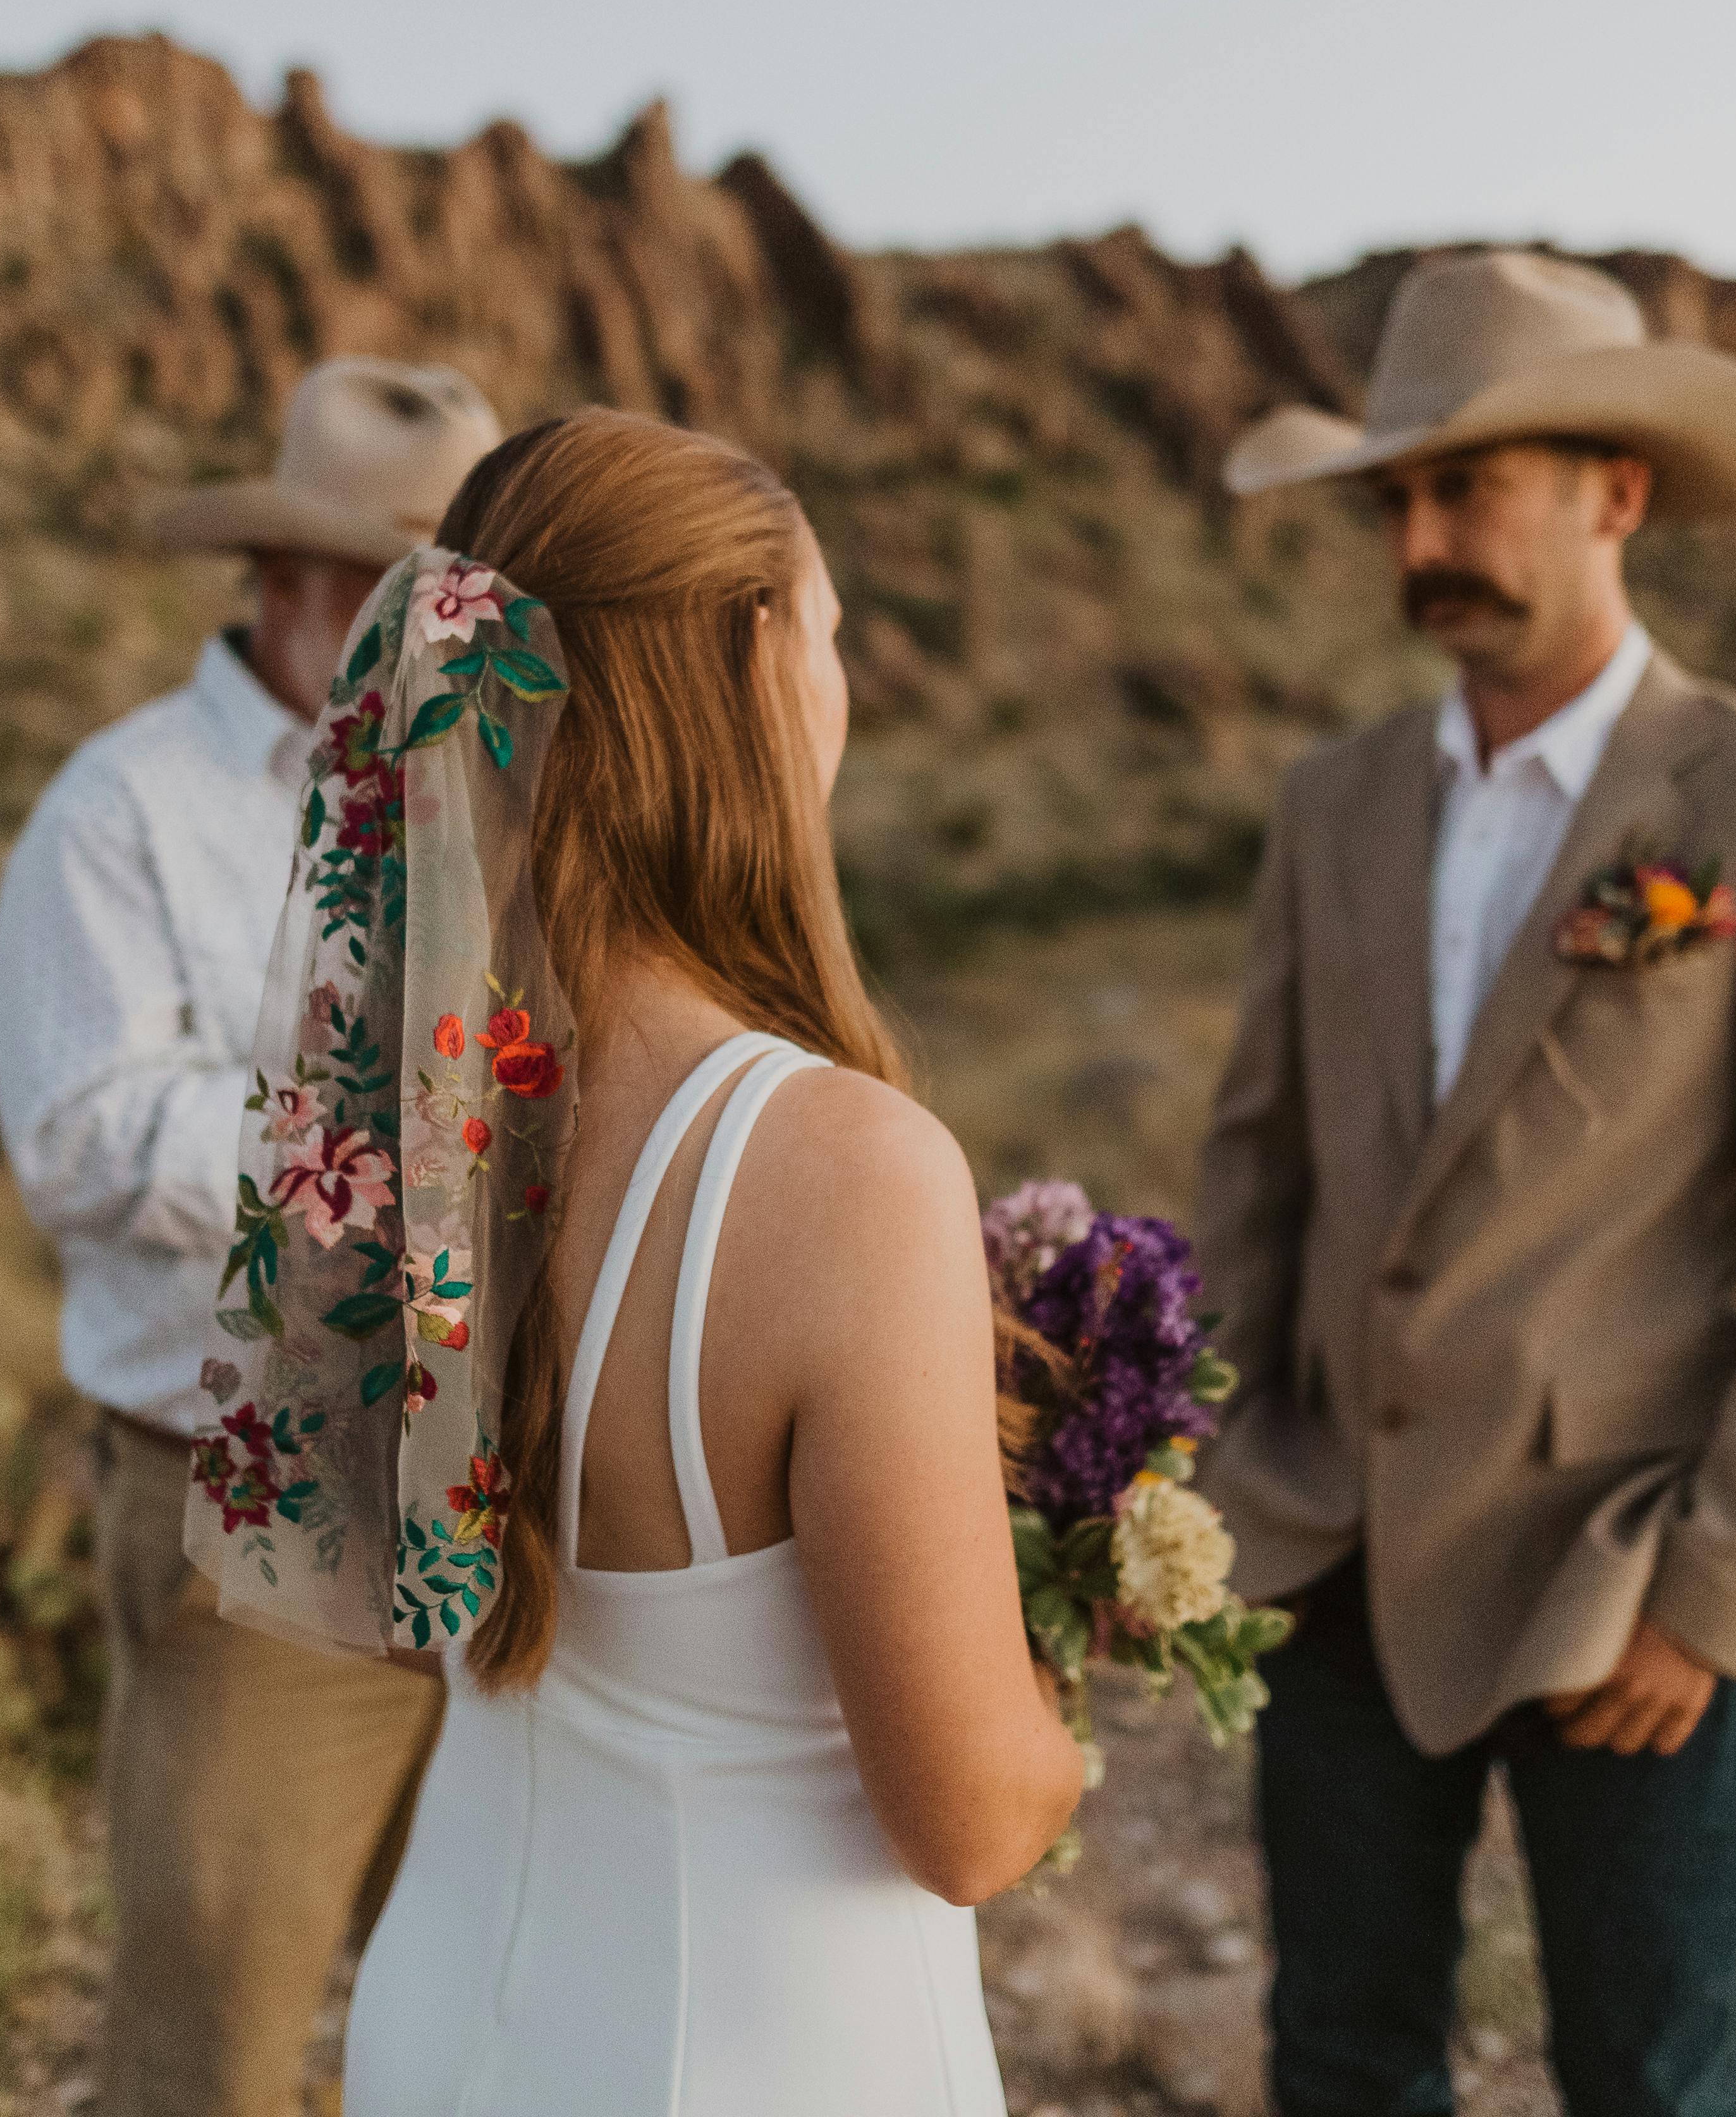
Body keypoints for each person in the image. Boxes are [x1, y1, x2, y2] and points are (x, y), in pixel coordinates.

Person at [181, 410, 1085, 2116]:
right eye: (827, 634)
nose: (846, 690)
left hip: (454, 2010)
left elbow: (404, 1605)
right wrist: (1056, 1680)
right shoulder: (848, 1174)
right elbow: (970, 1816)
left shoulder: (403, 1122)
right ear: (746, 661)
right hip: (754, 2051)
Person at [1198, 249, 1736, 2117]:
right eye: (1402, 497)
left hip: (1625, 1581)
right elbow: (1256, 1161)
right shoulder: (1334, 802)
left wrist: (1724, 1593)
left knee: (1657, 2079)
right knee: (1339, 2058)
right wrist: (1223, 1476)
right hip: (1333, 1557)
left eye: (1468, 486)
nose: (1424, 535)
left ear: (1618, 493)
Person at [0, 355, 502, 2117]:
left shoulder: (501, 792)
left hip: (515, 1500)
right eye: (390, 589)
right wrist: (401, 1165)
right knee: (213, 2052)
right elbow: (86, 1138)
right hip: (256, 1496)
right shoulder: (120, 815)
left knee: (514, 2013)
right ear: (281, 581)